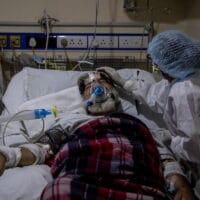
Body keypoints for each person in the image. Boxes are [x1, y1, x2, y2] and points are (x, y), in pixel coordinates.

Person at [0, 69, 195, 200]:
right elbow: (42, 149)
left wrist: (181, 184)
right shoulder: (71, 120)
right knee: (59, 190)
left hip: (138, 181)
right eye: (87, 86)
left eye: (102, 82)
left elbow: (164, 157)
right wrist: (8, 156)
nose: (95, 87)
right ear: (83, 96)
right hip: (81, 180)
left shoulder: (138, 122)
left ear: (114, 90)